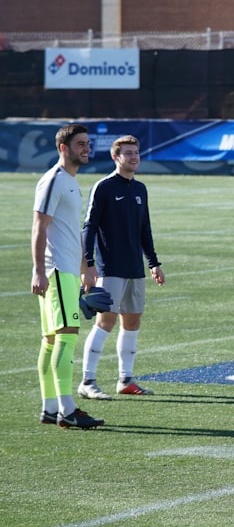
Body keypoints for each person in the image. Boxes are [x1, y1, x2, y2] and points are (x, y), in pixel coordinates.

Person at [79, 135, 165, 399]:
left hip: (134, 268)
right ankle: (87, 381)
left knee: (133, 321)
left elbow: (144, 230)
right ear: (116, 157)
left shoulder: (140, 189)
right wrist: (89, 264)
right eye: (127, 153)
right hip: (109, 268)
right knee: (106, 322)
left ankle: (125, 379)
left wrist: (153, 263)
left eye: (136, 152)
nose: (133, 157)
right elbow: (89, 227)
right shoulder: (104, 187)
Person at [31, 123, 105, 429]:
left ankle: (50, 408)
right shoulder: (54, 180)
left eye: (87, 143)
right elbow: (39, 226)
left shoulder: (71, 182)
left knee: (50, 341)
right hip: (56, 271)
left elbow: (69, 229)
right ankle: (67, 409)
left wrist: (86, 265)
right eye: (80, 144)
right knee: (66, 337)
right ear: (64, 147)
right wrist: (39, 271)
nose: (86, 148)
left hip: (66, 271)